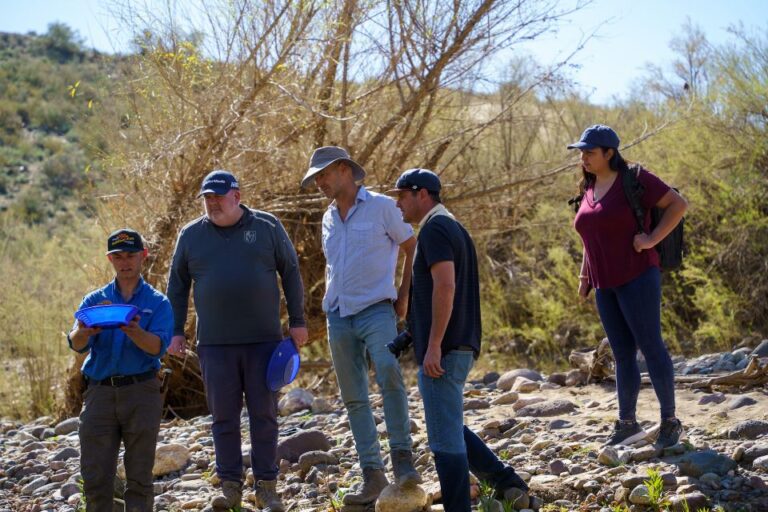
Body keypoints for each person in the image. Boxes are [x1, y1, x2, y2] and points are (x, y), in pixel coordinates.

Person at [166, 170, 308, 512]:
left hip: (264, 342)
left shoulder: (267, 226)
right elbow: (177, 285)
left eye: (218, 196)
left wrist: (298, 321)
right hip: (215, 345)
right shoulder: (190, 235)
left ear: (237, 196)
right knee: (223, 417)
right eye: (207, 198)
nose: (212, 203)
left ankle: (267, 487)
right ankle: (229, 486)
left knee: (264, 414)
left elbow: (290, 270)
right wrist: (175, 330)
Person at [389, 169, 529, 512]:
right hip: (459, 345)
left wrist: (434, 344)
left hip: (446, 349)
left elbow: (446, 286)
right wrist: (416, 333)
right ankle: (506, 483)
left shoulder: (435, 229)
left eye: (402, 195)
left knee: (443, 438)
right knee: (447, 424)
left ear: (423, 194)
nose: (397, 203)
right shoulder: (453, 227)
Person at [299, 146, 421, 506]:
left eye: (323, 174)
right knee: (353, 397)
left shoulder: (384, 206)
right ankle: (372, 475)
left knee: (389, 372)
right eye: (316, 177)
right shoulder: (327, 218)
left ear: (343, 170)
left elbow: (412, 246)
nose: (319, 182)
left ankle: (403, 462)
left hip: (376, 309)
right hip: (338, 314)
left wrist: (404, 296)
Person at [567, 124, 688, 448]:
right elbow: (590, 237)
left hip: (638, 276)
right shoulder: (588, 186)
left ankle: (670, 422)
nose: (584, 157)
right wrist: (584, 276)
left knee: (651, 347)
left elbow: (678, 205)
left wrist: (650, 239)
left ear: (609, 153)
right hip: (604, 283)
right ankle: (627, 424)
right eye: (581, 152)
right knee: (622, 354)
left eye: (590, 152)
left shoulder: (635, 178)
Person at [68, 228, 173, 512]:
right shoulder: (94, 300)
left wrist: (135, 332)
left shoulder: (158, 302)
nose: (125, 262)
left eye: (131, 255)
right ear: (110, 259)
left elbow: (157, 349)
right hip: (99, 393)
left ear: (143, 256)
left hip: (142, 391)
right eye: (118, 256)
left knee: (139, 477)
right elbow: (75, 344)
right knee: (95, 477)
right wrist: (85, 332)